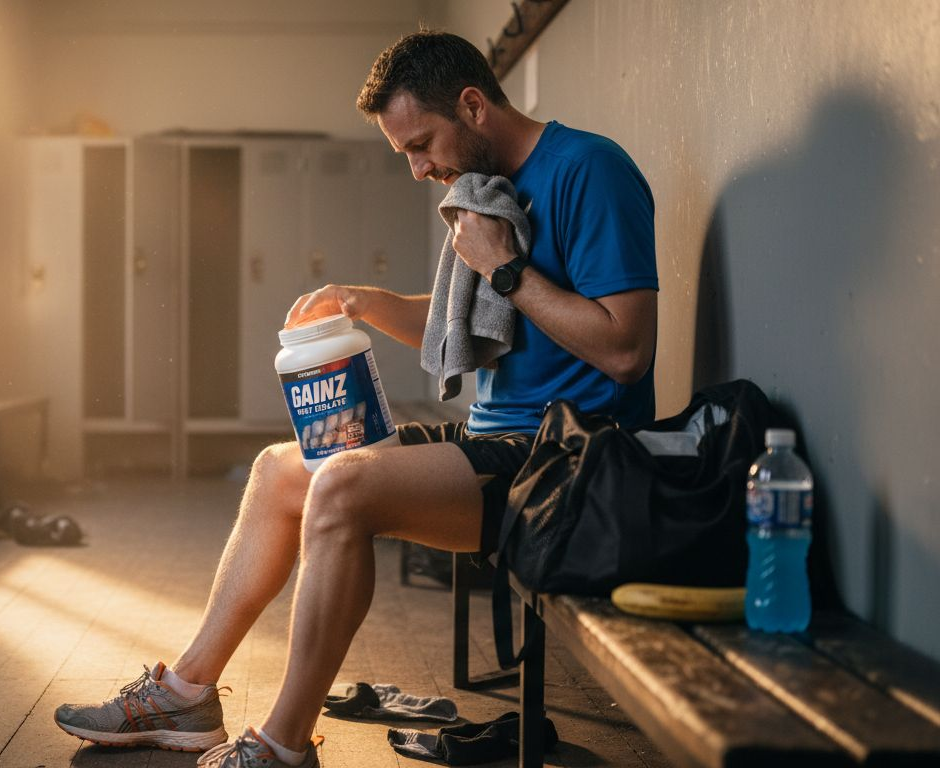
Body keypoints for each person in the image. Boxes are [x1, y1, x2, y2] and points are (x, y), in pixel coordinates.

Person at [53, 30, 659, 768]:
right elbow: (461, 321)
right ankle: (187, 692)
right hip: (497, 443)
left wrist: (503, 268)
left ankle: (280, 746)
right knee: (281, 470)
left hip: (570, 466)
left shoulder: (590, 169)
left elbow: (625, 351)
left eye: (420, 144)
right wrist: (363, 300)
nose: (416, 169)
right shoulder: (487, 184)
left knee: (341, 486)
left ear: (473, 105)